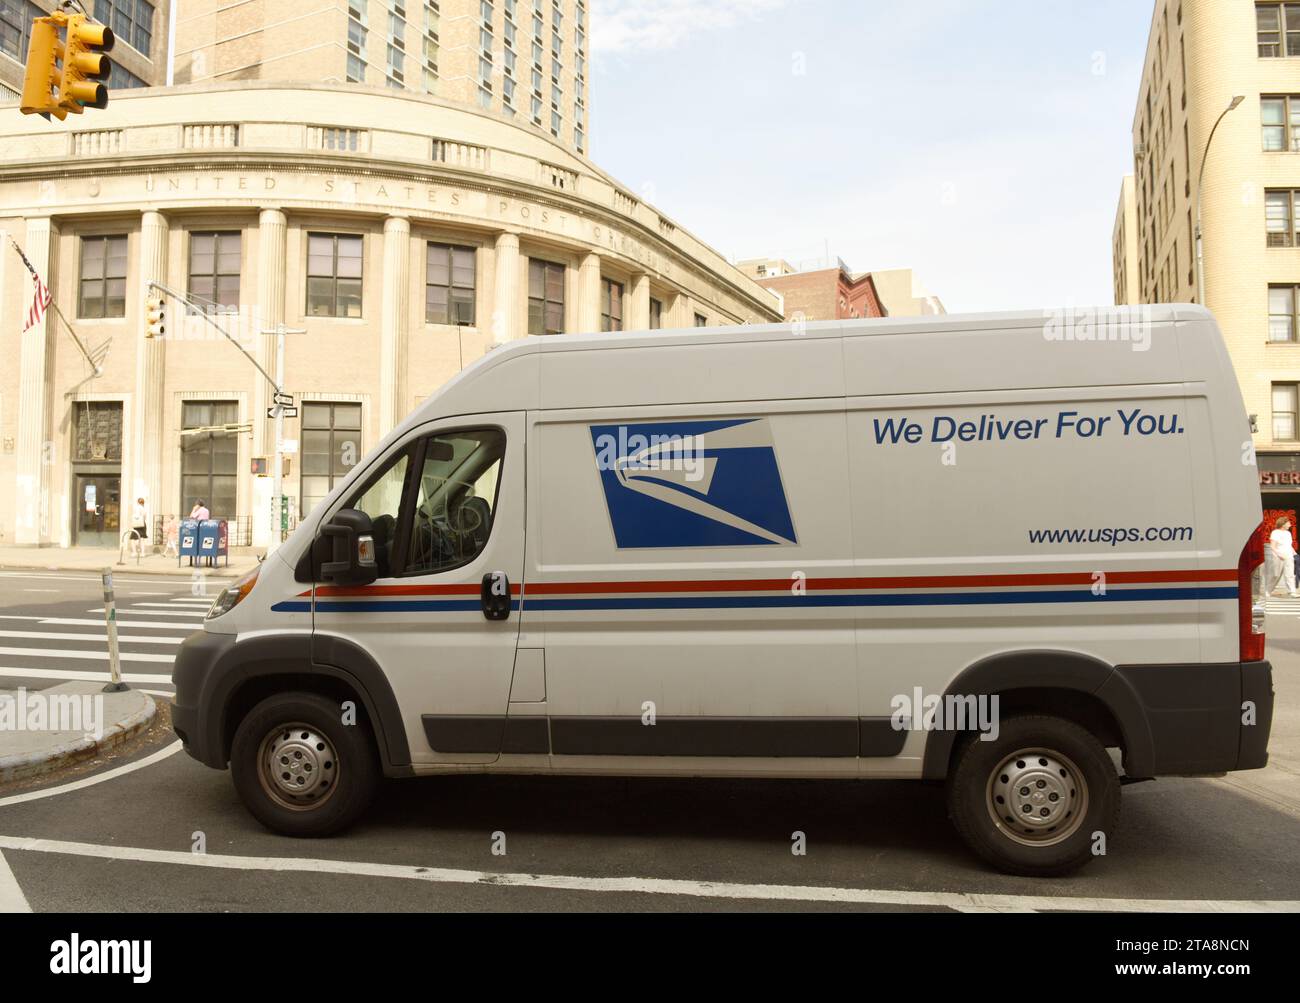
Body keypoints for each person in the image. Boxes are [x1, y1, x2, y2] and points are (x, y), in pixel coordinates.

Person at [1269, 516, 1299, 597]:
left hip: (1289, 556)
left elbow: (1288, 545)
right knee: (1276, 575)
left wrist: (1295, 553)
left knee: (1290, 574)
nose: (1290, 524)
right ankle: (1268, 591)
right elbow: (1273, 546)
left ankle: (1292, 591)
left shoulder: (1288, 533)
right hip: (1279, 556)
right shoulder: (1275, 533)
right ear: (1283, 524)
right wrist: (1279, 554)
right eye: (1288, 523)